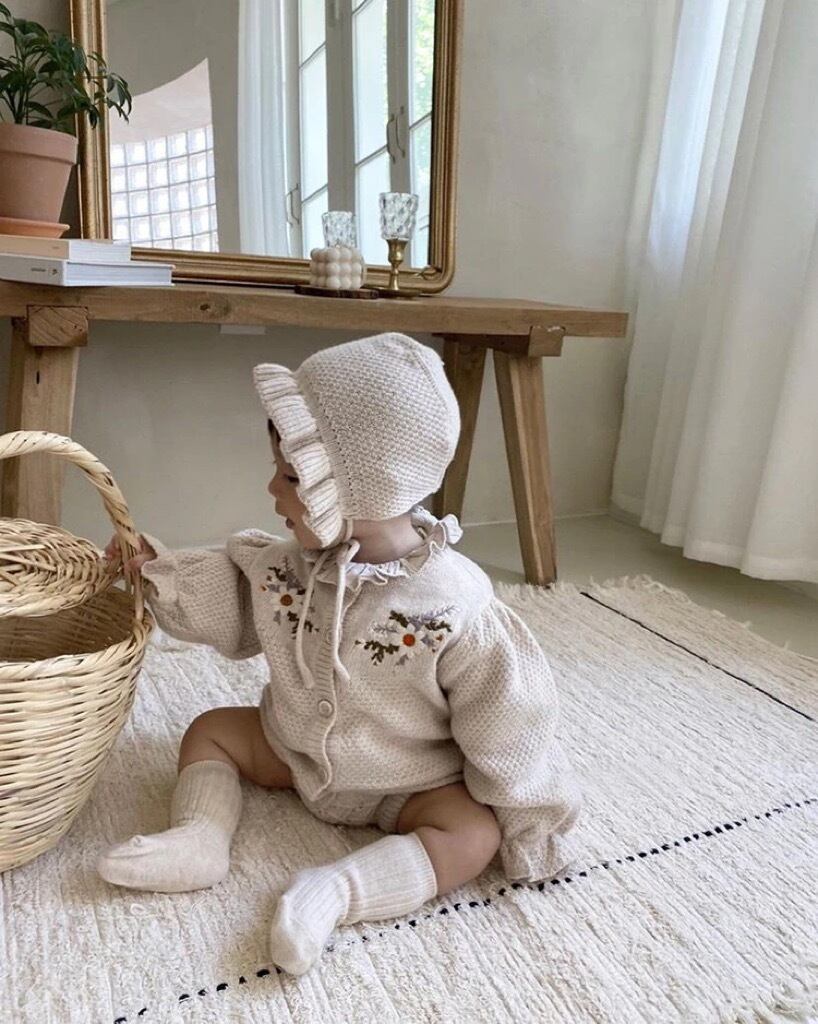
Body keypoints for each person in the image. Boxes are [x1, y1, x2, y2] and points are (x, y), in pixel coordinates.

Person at [96, 331, 582, 975]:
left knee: (473, 835)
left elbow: (509, 725)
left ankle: (335, 893)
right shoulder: (288, 566)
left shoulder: (456, 605)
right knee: (211, 729)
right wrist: (157, 573)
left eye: (292, 477)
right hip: (292, 750)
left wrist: (530, 824)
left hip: (412, 782)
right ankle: (199, 838)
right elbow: (231, 595)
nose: (273, 489)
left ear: (362, 490)